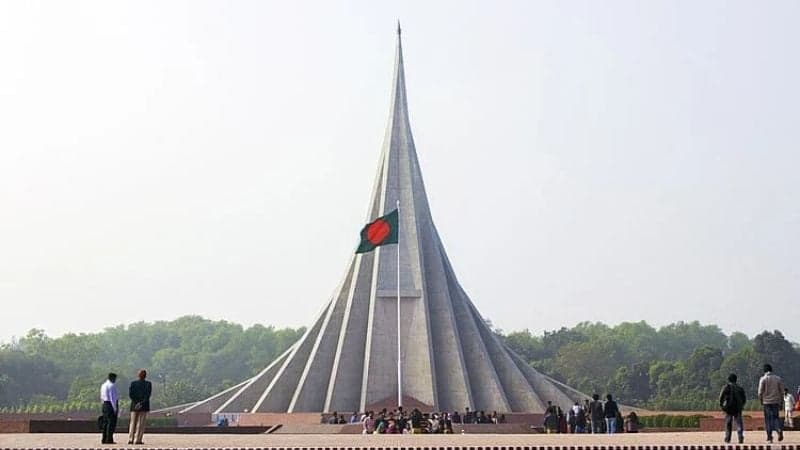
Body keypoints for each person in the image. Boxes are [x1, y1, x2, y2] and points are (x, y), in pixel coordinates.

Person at [759, 364, 785, 443]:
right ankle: (778, 429)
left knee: (768, 420)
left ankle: (769, 437)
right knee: (775, 417)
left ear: (764, 371)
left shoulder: (763, 379)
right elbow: (782, 392)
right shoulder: (778, 379)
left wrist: (761, 401)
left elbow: (760, 392)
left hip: (766, 402)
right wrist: (781, 402)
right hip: (775, 401)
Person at [719, 373, 746, 444]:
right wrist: (742, 405)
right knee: (739, 423)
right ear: (736, 380)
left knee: (728, 423)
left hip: (729, 407)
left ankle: (728, 438)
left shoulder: (726, 387)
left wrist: (722, 405)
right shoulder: (740, 388)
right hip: (737, 408)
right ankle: (740, 436)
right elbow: (744, 399)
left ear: (729, 380)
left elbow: (721, 396)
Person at [127, 369, 152, 445]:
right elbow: (147, 395)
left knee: (132, 423)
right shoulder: (148, 384)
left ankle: (131, 439)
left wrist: (136, 403)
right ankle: (138, 440)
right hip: (143, 406)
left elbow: (131, 395)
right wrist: (141, 403)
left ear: (138, 375)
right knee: (140, 424)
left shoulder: (133, 383)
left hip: (134, 406)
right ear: (145, 376)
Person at [99, 372, 119, 444]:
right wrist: (115, 408)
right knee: (111, 423)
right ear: (112, 378)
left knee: (105, 422)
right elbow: (112, 398)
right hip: (110, 405)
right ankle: (109, 439)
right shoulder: (112, 386)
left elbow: (101, 396)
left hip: (104, 404)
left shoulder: (103, 385)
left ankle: (104, 439)